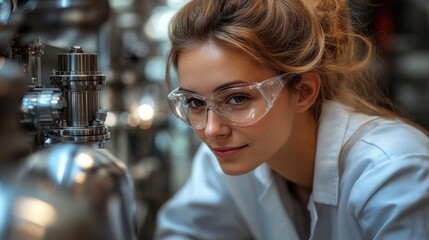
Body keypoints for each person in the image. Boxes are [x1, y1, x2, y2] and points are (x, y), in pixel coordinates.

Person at [155, 0, 429, 239]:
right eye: (195, 102)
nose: (212, 130)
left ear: (304, 91)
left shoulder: (392, 172)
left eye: (238, 99)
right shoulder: (226, 159)